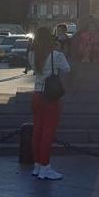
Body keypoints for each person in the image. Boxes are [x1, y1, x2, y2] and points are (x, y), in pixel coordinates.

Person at [29, 26, 71, 181]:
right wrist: (60, 50)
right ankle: (45, 167)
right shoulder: (56, 55)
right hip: (50, 96)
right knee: (48, 132)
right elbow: (67, 69)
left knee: (37, 131)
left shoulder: (32, 54)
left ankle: (37, 165)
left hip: (36, 94)